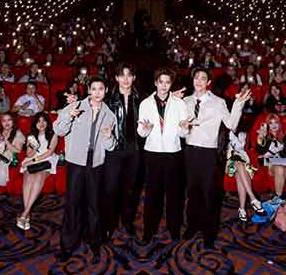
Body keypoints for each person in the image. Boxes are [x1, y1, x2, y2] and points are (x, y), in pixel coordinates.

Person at [181, 67, 251, 249]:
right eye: (196, 78)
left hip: (209, 153)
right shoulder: (185, 101)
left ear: (208, 82)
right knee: (193, 192)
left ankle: (209, 232)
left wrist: (238, 105)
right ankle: (192, 225)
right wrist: (183, 127)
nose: (198, 81)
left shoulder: (218, 102)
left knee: (209, 193)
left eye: (203, 78)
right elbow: (180, 129)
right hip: (190, 151)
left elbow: (231, 124)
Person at [53, 76, 116, 260]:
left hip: (96, 163)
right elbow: (59, 130)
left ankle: (94, 241)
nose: (97, 93)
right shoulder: (75, 106)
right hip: (76, 162)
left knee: (94, 205)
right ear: (88, 90)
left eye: (101, 89)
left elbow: (111, 146)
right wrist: (68, 116)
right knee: (73, 204)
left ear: (106, 91)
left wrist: (109, 137)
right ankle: (67, 245)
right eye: (93, 89)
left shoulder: (109, 115)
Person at [137, 68, 188, 245]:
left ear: (171, 84)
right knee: (152, 195)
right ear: (155, 83)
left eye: (167, 82)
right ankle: (148, 231)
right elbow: (141, 133)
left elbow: (183, 133)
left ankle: (174, 230)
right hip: (152, 153)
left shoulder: (180, 104)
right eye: (161, 82)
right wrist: (145, 129)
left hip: (173, 153)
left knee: (174, 194)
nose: (164, 86)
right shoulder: (145, 104)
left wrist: (184, 128)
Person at [101, 63, 144, 239]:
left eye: (129, 75)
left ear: (134, 78)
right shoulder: (108, 100)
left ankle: (127, 221)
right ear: (116, 78)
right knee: (110, 188)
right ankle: (109, 223)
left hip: (134, 150)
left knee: (131, 189)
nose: (125, 79)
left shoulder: (141, 99)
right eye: (122, 75)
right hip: (114, 150)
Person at [18, 112, 59, 230]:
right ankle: (26, 214)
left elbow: (49, 152)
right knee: (28, 178)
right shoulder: (31, 136)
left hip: (46, 160)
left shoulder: (53, 134)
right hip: (32, 159)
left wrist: (34, 160)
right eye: (38, 121)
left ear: (48, 123)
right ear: (35, 124)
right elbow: (28, 154)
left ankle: (24, 214)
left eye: (44, 120)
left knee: (38, 178)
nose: (41, 123)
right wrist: (34, 148)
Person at [254, 113, 286, 203]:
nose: (273, 125)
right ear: (267, 125)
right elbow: (260, 151)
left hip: (283, 161)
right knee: (280, 168)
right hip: (269, 162)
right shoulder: (264, 136)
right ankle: (279, 198)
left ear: (279, 124)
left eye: (276, 122)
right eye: (270, 123)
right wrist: (262, 137)